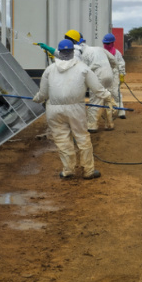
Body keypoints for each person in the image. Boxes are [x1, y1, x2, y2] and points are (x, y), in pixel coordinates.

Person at [33, 39, 113, 180]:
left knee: (62, 139)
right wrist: (109, 98)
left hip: (54, 109)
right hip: (76, 108)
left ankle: (68, 170)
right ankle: (88, 171)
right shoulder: (83, 68)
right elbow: (98, 89)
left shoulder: (50, 70)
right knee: (82, 138)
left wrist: (37, 98)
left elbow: (43, 94)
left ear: (59, 52)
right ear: (72, 52)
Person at [80, 34, 118, 132]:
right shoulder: (99, 49)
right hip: (109, 75)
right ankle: (109, 124)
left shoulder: (84, 55)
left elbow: (83, 71)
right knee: (106, 99)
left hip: (98, 77)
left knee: (95, 100)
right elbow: (113, 60)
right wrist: (110, 69)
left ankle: (92, 126)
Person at [104, 33, 128, 119]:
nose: (107, 45)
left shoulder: (116, 53)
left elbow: (121, 64)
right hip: (104, 75)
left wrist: (122, 74)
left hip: (114, 74)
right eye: (105, 43)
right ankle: (107, 112)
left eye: (108, 43)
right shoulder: (101, 52)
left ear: (112, 43)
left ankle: (120, 111)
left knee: (115, 93)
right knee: (105, 94)